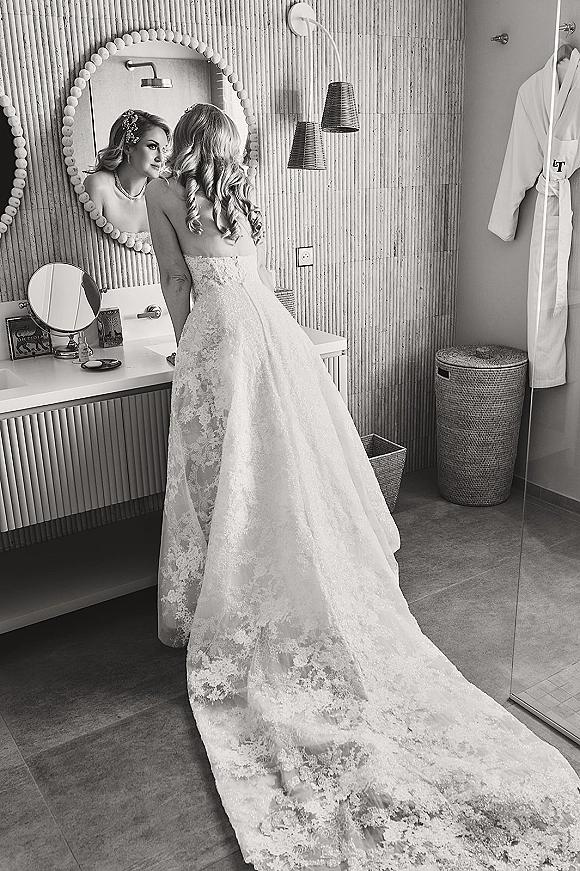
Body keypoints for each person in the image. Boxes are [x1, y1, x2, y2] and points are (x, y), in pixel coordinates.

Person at [146, 104, 580, 871]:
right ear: (229, 147)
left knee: (223, 473)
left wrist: (188, 354)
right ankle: (286, 574)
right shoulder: (241, 192)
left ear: (182, 143)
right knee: (282, 473)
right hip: (274, 333)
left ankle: (230, 590)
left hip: (218, 337)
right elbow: (251, 272)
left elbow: (177, 281)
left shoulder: (162, 191)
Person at [84, 109, 170, 237]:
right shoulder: (98, 186)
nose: (161, 158)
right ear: (127, 147)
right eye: (152, 146)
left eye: (164, 149)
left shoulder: (162, 192)